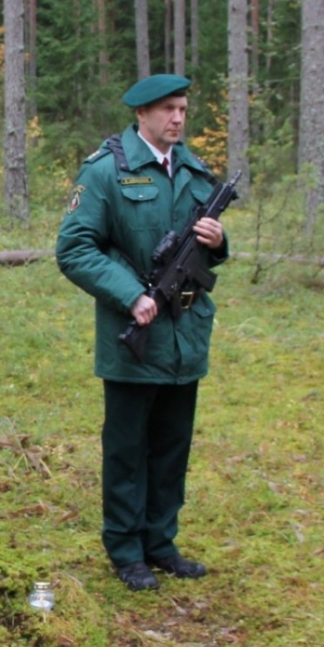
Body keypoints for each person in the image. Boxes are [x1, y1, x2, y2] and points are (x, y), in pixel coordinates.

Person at [55, 74, 228, 592]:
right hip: (135, 333)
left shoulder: (195, 172)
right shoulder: (108, 172)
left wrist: (218, 242)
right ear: (142, 114)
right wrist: (131, 293)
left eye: (183, 109)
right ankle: (126, 549)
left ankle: (160, 542)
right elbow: (74, 248)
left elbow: (206, 251)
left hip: (184, 337)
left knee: (172, 446)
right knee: (128, 448)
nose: (178, 118)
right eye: (168, 109)